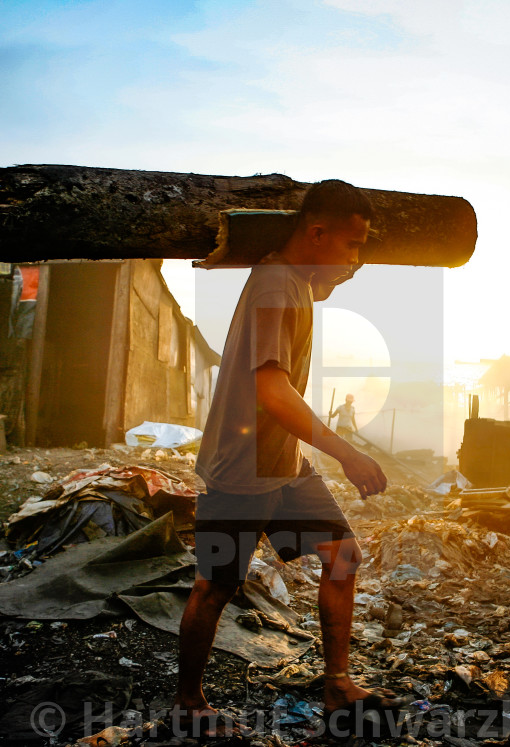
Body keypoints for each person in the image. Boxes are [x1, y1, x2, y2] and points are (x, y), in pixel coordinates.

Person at [170, 179, 404, 738]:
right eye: (351, 244)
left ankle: (337, 684)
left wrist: (330, 275)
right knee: (215, 586)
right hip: (241, 467)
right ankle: (187, 702)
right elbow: (272, 390)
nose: (355, 258)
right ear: (317, 233)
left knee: (341, 555)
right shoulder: (276, 284)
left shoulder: (295, 283)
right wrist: (346, 451)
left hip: (282, 463)